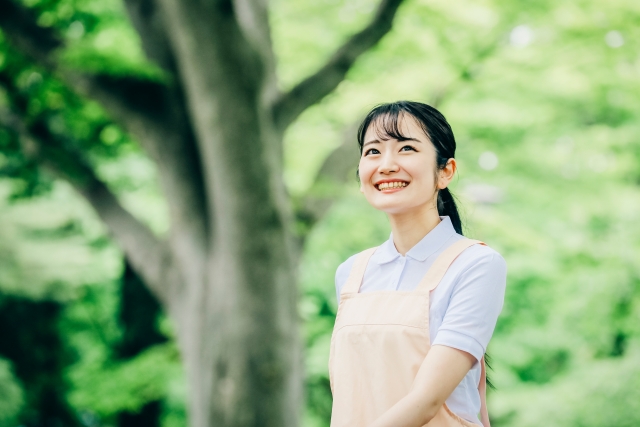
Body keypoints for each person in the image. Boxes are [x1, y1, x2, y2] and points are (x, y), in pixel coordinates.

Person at [329, 101, 507, 427]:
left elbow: (427, 400)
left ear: (446, 171)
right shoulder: (351, 272)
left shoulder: (476, 264)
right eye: (373, 152)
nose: (386, 165)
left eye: (406, 148)